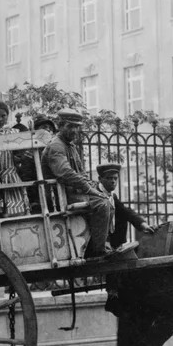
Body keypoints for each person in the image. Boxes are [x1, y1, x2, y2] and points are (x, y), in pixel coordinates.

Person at [41, 108, 112, 259]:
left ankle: (100, 244)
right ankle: (97, 252)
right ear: (60, 126)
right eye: (70, 126)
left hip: (72, 192)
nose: (74, 130)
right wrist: (89, 189)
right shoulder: (56, 146)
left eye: (76, 126)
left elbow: (81, 173)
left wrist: (93, 186)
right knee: (102, 204)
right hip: (59, 196)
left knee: (109, 200)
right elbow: (65, 173)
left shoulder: (70, 146)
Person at [96, 163, 154, 248]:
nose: (113, 181)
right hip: (98, 240)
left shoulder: (111, 195)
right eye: (109, 178)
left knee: (122, 214)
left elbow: (125, 211)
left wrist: (143, 225)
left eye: (115, 178)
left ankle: (118, 246)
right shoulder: (96, 194)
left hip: (110, 240)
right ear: (100, 179)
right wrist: (105, 242)